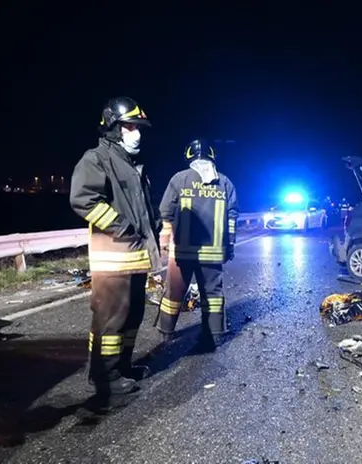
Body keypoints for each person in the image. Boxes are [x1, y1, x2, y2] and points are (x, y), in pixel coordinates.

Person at [69, 96, 161, 399]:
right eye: (130, 126)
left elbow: (143, 207)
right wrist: (121, 227)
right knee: (111, 318)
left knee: (132, 315)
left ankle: (122, 366)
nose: (137, 132)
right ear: (112, 127)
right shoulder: (97, 158)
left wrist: (155, 224)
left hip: (135, 256)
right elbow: (83, 199)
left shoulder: (132, 164)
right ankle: (103, 375)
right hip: (113, 257)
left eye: (138, 127)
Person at [156, 139, 239, 352]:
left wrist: (164, 246)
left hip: (183, 251)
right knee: (213, 294)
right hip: (213, 253)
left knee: (174, 292)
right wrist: (229, 245)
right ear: (212, 156)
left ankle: (166, 333)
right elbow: (232, 218)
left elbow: (165, 212)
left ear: (189, 155)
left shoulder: (180, 179)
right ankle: (215, 335)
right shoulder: (225, 182)